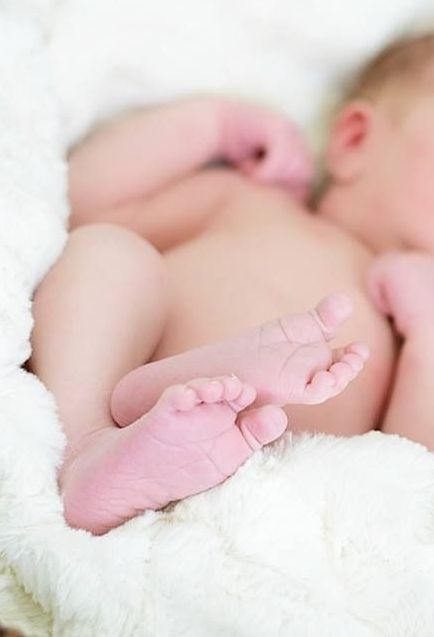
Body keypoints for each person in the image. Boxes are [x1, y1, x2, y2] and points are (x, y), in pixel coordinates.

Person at [29, 32, 434, 535]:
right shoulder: (246, 201)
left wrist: (426, 338)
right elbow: (85, 202)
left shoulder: (413, 329)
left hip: (262, 481)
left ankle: (175, 424)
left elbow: (413, 470)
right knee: (106, 249)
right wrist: (210, 125)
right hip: (127, 388)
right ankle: (87, 442)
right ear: (354, 141)